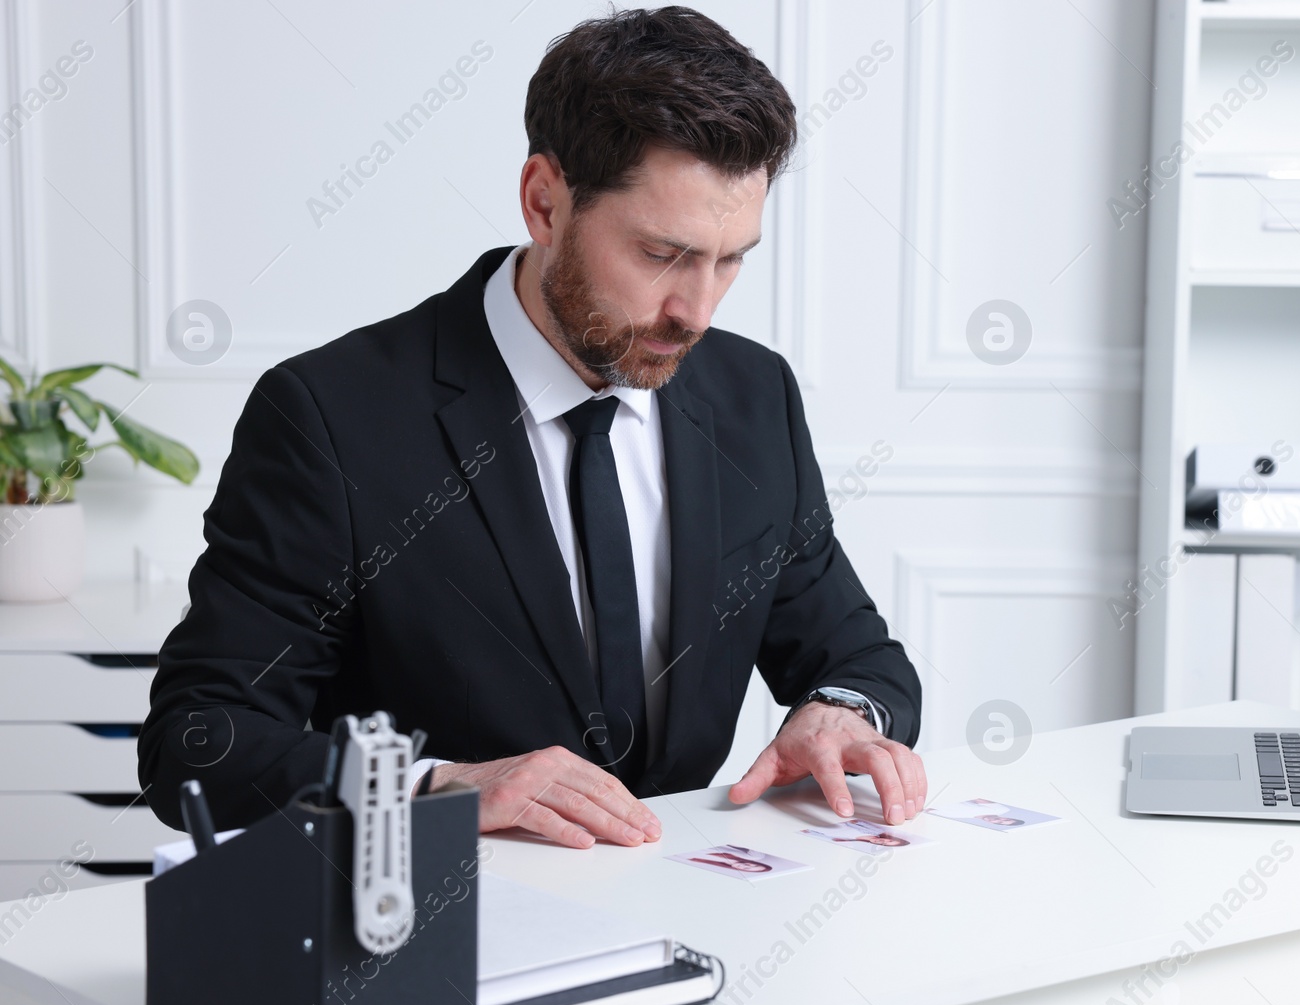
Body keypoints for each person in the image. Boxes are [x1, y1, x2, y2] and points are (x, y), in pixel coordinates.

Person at [137, 6, 924, 849]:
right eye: (662, 254)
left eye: (730, 259)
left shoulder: (753, 395)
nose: (696, 311)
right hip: (434, 935)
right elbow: (197, 741)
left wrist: (840, 715)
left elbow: (857, 657)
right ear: (544, 202)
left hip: (701, 923)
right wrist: (438, 785)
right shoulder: (330, 417)